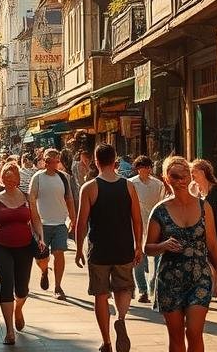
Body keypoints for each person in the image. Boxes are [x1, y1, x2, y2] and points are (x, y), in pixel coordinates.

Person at [144, 156, 217, 352]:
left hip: (199, 276)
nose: (181, 180)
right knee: (176, 337)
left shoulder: (203, 206)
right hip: (169, 279)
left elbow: (213, 244)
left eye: (185, 175)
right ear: (166, 178)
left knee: (194, 332)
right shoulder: (160, 211)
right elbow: (147, 248)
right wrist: (163, 245)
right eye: (175, 176)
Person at [74, 143, 143, 352]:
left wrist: (78, 249)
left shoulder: (90, 188)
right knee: (124, 288)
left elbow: (81, 222)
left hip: (99, 250)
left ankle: (106, 341)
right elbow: (137, 220)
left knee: (101, 295)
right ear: (115, 161)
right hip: (123, 247)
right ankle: (121, 318)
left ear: (96, 162)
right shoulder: (128, 186)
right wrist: (138, 245)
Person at [0, 162, 48, 344]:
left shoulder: (27, 198)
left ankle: (18, 308)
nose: (9, 182)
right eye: (5, 178)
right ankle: (9, 331)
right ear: (1, 180)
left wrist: (40, 237)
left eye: (12, 179)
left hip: (24, 246)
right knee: (6, 283)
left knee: (22, 288)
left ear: (18, 180)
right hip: (0, 246)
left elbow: (36, 220)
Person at [30, 147, 77, 299]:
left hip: (59, 223)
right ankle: (44, 271)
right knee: (41, 257)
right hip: (42, 224)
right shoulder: (37, 177)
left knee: (59, 253)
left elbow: (69, 198)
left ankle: (58, 286)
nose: (54, 164)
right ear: (45, 161)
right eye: (50, 161)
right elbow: (31, 199)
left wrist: (73, 217)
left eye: (56, 161)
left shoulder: (64, 177)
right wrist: (33, 219)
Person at [130, 155, 169, 304]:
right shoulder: (131, 184)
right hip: (137, 226)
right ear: (138, 169)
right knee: (138, 260)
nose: (146, 170)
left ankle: (155, 286)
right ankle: (143, 290)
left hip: (156, 225)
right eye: (143, 167)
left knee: (159, 259)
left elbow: (161, 204)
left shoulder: (158, 184)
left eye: (148, 167)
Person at [190, 159, 217, 257]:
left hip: (214, 235)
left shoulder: (216, 191)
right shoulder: (195, 190)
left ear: (202, 173)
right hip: (200, 237)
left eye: (194, 171)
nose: (191, 175)